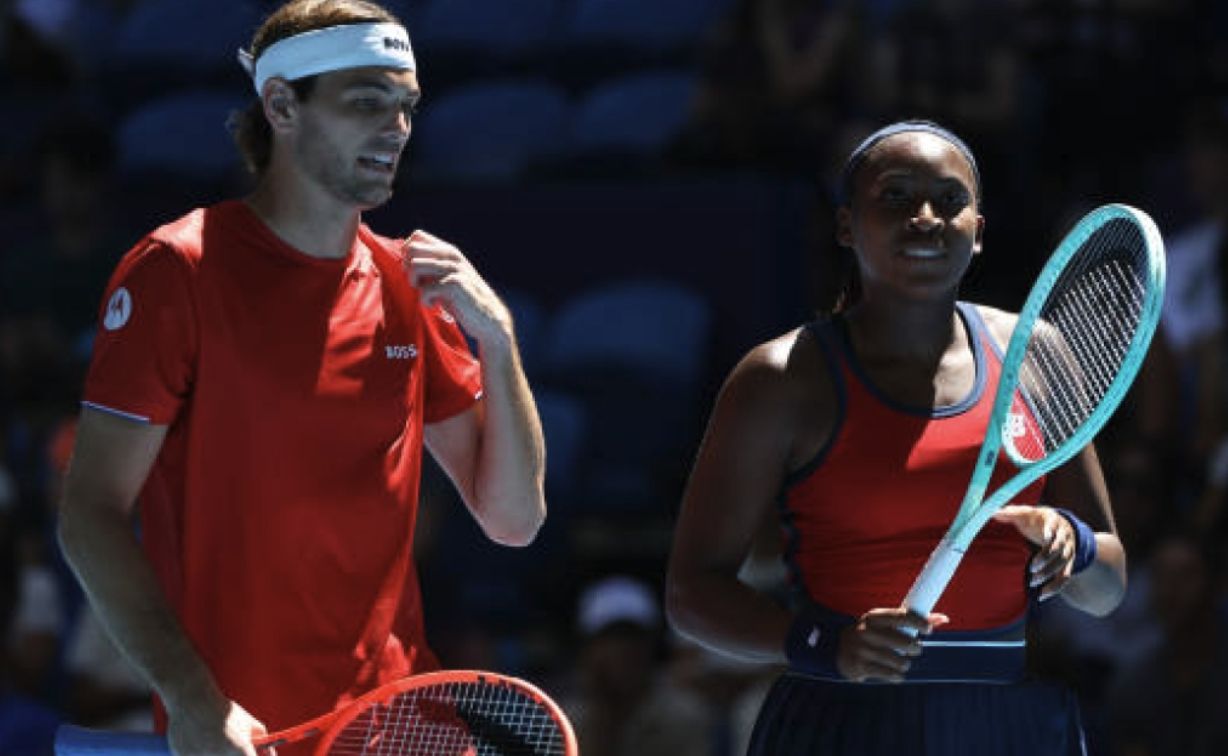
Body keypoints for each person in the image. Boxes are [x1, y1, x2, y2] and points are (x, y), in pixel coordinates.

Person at [55, 1, 546, 754]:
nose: (397, 129)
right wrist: (195, 700)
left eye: (406, 107)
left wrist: (499, 339)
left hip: (396, 725)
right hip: (238, 736)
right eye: (366, 102)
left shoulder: (405, 285)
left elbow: (514, 520)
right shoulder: (176, 272)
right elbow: (88, 513)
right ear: (281, 106)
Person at [666, 120, 1127, 754]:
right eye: (897, 196)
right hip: (842, 724)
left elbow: (1108, 586)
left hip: (1013, 728)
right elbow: (692, 594)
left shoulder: (1038, 356)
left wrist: (1071, 545)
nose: (927, 216)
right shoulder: (779, 379)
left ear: (980, 232)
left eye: (951, 199)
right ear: (846, 225)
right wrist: (829, 646)